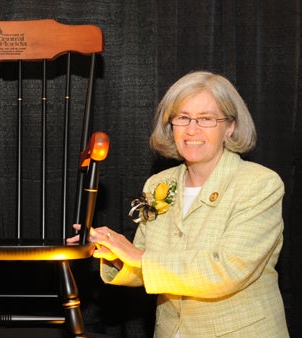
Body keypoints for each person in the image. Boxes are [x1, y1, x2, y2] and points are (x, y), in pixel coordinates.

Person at [67, 71, 289, 337]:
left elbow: (227, 270)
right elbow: (146, 268)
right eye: (182, 117)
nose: (191, 129)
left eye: (206, 119)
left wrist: (137, 256)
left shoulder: (259, 184)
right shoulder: (158, 184)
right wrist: (113, 253)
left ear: (230, 126)